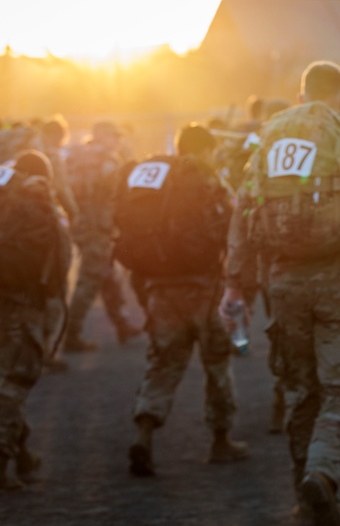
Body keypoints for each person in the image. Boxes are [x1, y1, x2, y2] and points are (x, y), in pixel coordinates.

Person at [220, 61, 340, 523]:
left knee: (302, 390)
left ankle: (306, 497)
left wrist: (235, 282)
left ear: (302, 97)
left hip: (283, 282)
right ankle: (321, 474)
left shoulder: (267, 147)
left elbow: (243, 212)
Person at [117, 124, 247, 477]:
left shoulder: (156, 182)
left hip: (160, 288)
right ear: (204, 150)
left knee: (162, 363)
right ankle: (221, 442)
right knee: (217, 364)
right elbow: (232, 228)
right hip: (205, 289)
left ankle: (145, 433)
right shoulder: (206, 180)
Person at [0, 151, 71, 496]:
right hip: (18, 302)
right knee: (13, 381)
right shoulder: (35, 198)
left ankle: (23, 454)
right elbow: (60, 256)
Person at [64, 121, 140, 351]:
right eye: (114, 137)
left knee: (108, 276)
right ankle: (71, 334)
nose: (117, 141)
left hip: (83, 226)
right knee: (89, 280)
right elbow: (122, 189)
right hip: (98, 227)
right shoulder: (108, 161)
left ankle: (122, 324)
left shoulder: (77, 157)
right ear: (103, 136)